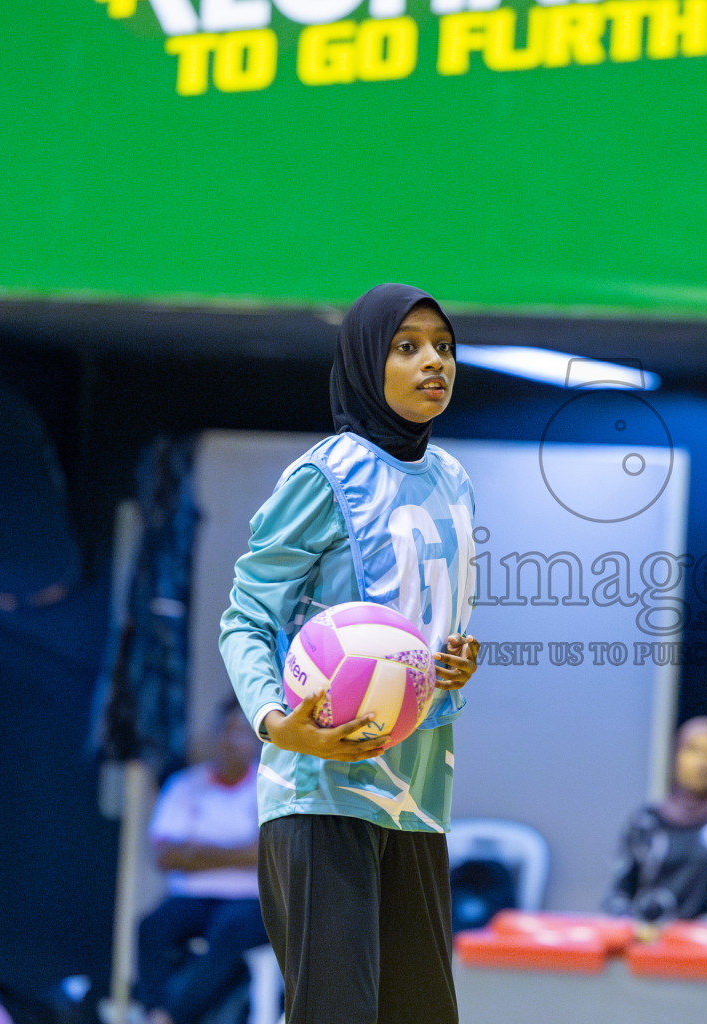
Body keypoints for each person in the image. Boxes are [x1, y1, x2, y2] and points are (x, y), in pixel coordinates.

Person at [218, 284, 480, 1024]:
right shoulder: (325, 475)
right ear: (367, 364)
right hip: (321, 789)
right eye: (408, 347)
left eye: (443, 345)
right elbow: (245, 617)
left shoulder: (455, 482)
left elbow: (429, 633)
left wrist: (453, 664)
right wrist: (276, 721)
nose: (434, 362)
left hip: (419, 799)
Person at [134, 701, 268, 1024]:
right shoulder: (184, 786)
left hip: (249, 901)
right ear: (214, 735)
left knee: (229, 930)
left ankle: (167, 1017)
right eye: (227, 730)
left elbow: (265, 855)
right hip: (190, 896)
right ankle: (153, 1010)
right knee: (152, 926)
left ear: (255, 740)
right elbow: (165, 856)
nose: (232, 740)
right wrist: (239, 852)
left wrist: (197, 852)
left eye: (242, 732)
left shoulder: (268, 790)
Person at [602, 716, 707, 929]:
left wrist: (702, 932)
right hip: (647, 950)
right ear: (676, 755)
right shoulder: (646, 822)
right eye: (692, 750)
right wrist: (631, 929)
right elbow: (617, 892)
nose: (702, 763)